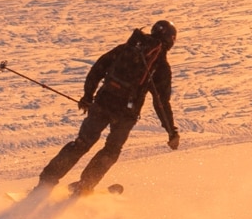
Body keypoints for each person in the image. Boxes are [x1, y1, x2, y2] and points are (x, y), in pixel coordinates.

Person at [39, 19, 179, 197]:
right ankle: (85, 186)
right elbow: (161, 103)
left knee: (81, 143)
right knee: (111, 150)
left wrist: (88, 96)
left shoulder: (126, 49)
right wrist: (171, 131)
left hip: (103, 103)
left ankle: (46, 181)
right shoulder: (161, 67)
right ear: (171, 41)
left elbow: (97, 69)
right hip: (127, 113)